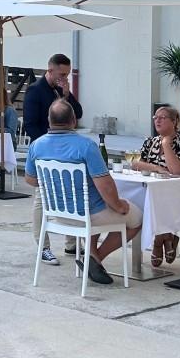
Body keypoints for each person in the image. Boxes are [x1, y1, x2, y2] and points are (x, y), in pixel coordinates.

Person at [25, 99, 142, 285]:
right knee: (136, 219)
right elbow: (106, 186)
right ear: (73, 120)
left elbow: (30, 179)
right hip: (88, 215)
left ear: (49, 121)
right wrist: (119, 206)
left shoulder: (36, 146)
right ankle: (94, 259)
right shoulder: (86, 146)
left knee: (99, 208)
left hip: (58, 215)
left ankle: (92, 259)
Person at [23, 54, 84, 264]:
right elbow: (30, 124)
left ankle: (71, 243)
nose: (64, 78)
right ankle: (43, 246)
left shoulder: (61, 90)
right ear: (50, 70)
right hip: (46, 151)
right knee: (42, 197)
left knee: (70, 194)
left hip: (65, 149)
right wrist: (48, 145)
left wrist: (67, 95)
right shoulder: (34, 91)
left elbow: (78, 114)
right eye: (61, 74)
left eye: (67, 74)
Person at [130, 105, 180, 267]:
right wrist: (157, 168)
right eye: (155, 118)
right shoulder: (150, 142)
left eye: (162, 117)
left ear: (174, 122)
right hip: (153, 192)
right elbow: (135, 164)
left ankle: (159, 241)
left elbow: (176, 171)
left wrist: (166, 144)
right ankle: (167, 236)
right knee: (141, 201)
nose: (157, 121)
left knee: (160, 201)